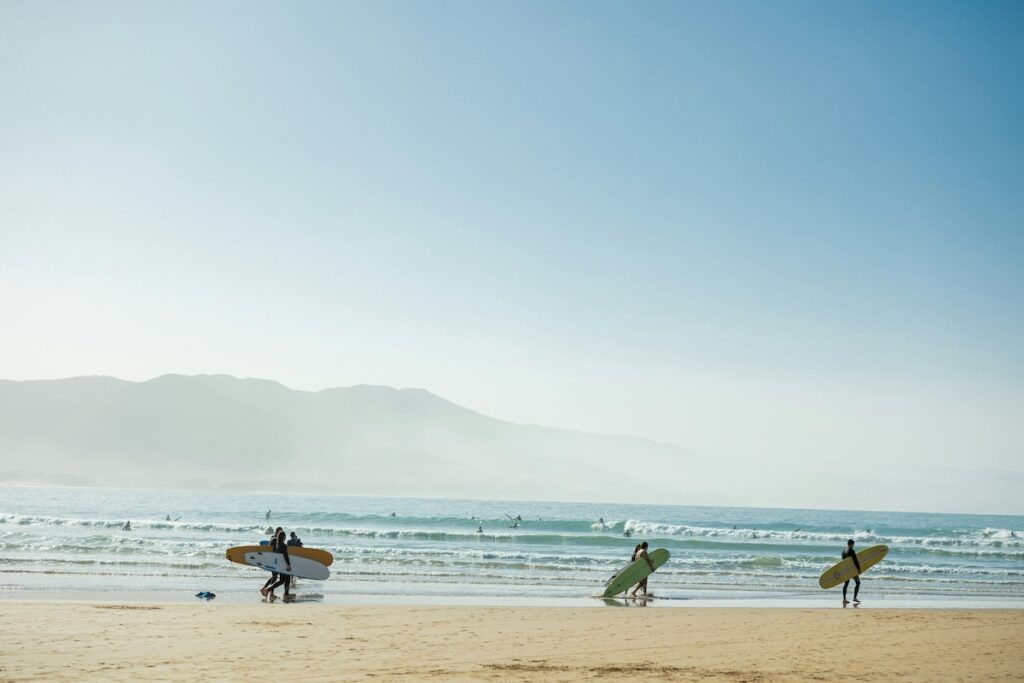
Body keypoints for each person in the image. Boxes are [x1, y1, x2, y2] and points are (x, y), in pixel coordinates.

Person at [263, 530, 292, 600]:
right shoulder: (283, 545)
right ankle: (269, 590)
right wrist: (288, 564)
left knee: (286, 579)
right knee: (283, 580)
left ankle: (286, 594)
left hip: (279, 565)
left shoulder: (277, 545)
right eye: (285, 536)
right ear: (284, 537)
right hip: (283, 565)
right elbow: (285, 556)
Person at [261, 527, 284, 598]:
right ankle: (267, 591)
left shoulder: (273, 538)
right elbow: (275, 551)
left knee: (274, 577)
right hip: (274, 561)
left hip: (273, 560)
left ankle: (267, 591)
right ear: (277, 532)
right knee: (275, 577)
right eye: (280, 532)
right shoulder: (274, 540)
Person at [842, 539, 862, 605]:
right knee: (858, 582)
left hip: (846, 569)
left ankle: (844, 599)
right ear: (852, 544)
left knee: (846, 584)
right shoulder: (851, 551)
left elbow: (843, 561)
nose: (853, 546)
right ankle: (854, 597)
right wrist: (859, 569)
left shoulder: (844, 550)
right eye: (853, 544)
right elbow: (855, 561)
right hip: (852, 570)